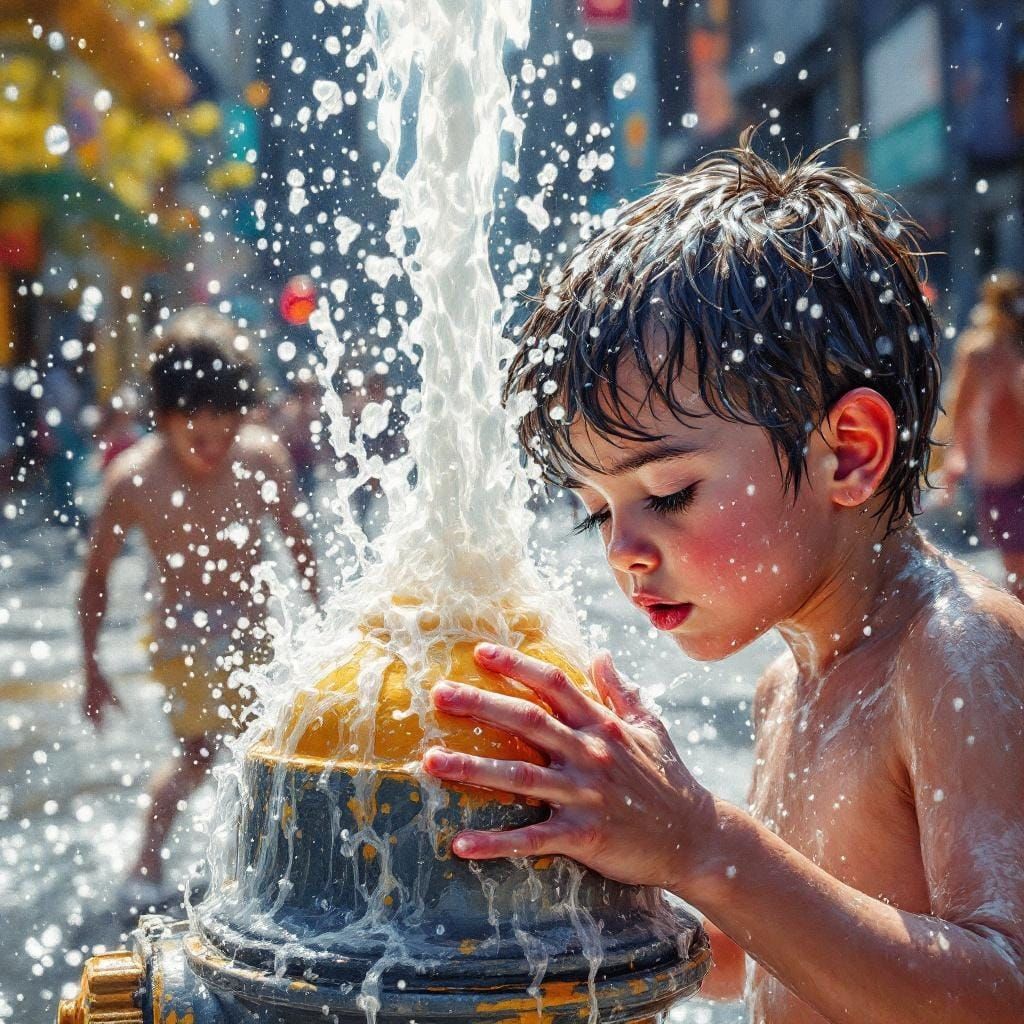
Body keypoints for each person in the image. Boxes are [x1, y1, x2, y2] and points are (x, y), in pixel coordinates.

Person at [421, 142, 1024, 1023]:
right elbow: (785, 960)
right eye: (597, 511)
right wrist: (609, 889)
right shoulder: (787, 687)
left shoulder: (956, 655)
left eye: (668, 493)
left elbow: (1005, 989)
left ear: (848, 452)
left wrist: (703, 843)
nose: (623, 549)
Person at [78, 306, 319, 904]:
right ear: (161, 415)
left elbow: (299, 546)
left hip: (254, 631)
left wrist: (323, 620)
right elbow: (94, 580)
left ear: (246, 411)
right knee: (199, 758)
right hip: (179, 638)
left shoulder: (261, 460)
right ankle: (145, 867)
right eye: (192, 420)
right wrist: (91, 668)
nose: (210, 437)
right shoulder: (134, 479)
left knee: (268, 754)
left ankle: (266, 871)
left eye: (225, 419)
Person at [942, 270, 1024, 600]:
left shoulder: (993, 351)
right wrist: (954, 460)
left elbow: (958, 414)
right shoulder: (980, 353)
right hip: (1002, 475)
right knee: (1017, 568)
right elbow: (960, 413)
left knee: (1017, 568)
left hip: (1003, 473)